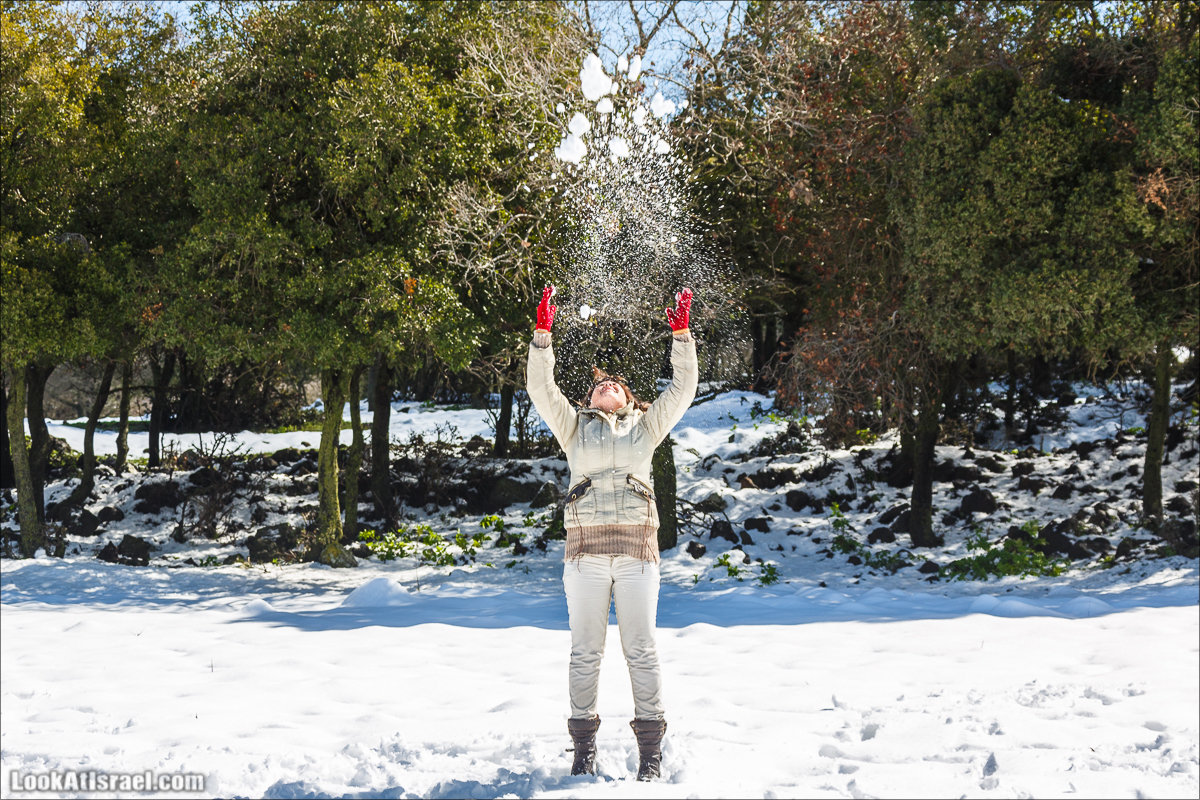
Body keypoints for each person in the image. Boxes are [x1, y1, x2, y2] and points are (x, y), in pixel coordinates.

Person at [525, 285, 698, 781]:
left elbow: (682, 388)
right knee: (585, 651)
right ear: (589, 397)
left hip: (638, 553)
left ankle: (651, 756)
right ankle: (583, 752)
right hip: (584, 557)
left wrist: (681, 335)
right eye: (600, 384)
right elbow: (541, 389)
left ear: (628, 397)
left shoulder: (645, 427)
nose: (609, 385)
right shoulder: (574, 427)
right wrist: (542, 336)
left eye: (617, 384)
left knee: (641, 648)